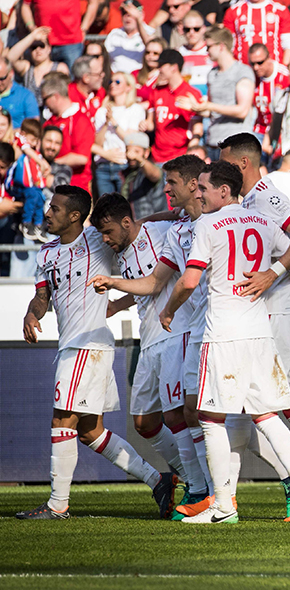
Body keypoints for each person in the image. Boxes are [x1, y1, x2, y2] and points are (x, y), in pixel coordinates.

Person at [158, 161, 290, 524]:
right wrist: (272, 273)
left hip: (223, 333)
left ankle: (223, 505)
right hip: (260, 332)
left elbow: (188, 281)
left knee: (209, 418)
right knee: (268, 415)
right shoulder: (261, 220)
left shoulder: (207, 224)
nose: (199, 194)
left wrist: (168, 312)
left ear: (223, 191)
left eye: (205, 188)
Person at [16, 186, 174, 520]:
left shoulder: (97, 240)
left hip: (88, 346)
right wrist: (33, 313)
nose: (48, 213)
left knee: (62, 420)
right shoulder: (45, 254)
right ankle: (159, 480)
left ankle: (58, 505)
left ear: (75, 215)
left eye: (55, 209)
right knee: (89, 430)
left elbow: (136, 237)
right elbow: (42, 297)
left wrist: (178, 214)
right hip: (72, 345)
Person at [215, 137, 290, 520]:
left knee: (257, 405)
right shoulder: (247, 204)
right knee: (286, 403)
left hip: (277, 312)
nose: (220, 172)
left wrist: (274, 272)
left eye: (225, 165)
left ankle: (288, 491)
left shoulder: (264, 196)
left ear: (243, 164)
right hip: (285, 309)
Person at [87, 153, 217, 517]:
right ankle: (188, 475)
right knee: (145, 422)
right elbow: (144, 286)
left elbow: (156, 280)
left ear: (128, 222)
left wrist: (115, 285)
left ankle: (199, 485)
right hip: (149, 339)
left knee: (179, 416)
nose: (107, 241)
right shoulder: (122, 249)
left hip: (175, 332)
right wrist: (119, 303)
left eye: (109, 232)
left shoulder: (162, 232)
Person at [179, 28, 255, 155]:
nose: (206, 50)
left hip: (235, 144)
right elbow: (212, 112)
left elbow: (242, 111)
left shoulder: (242, 71)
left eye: (208, 46)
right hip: (213, 142)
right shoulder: (212, 74)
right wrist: (195, 108)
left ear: (221, 46)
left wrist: (209, 105)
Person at [141, 50, 202, 164]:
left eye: (162, 65)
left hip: (179, 157)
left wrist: (190, 153)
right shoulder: (157, 91)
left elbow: (197, 127)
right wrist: (144, 124)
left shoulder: (191, 93)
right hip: (157, 157)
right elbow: (151, 124)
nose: (159, 69)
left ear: (174, 67)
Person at [93, 72, 146, 196]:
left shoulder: (135, 109)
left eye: (117, 82)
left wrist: (113, 122)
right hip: (103, 167)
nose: (113, 85)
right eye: (110, 82)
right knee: (106, 210)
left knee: (125, 208)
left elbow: (130, 139)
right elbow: (97, 143)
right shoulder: (102, 111)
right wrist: (106, 123)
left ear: (128, 87)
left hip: (124, 165)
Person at [40, 72, 94, 192]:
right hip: (50, 188)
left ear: (55, 96)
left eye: (45, 99)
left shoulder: (80, 120)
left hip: (75, 189)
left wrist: (52, 164)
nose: (44, 104)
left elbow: (81, 157)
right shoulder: (49, 122)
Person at [20, 0, 96, 70]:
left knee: (72, 80)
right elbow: (25, 6)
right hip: (43, 43)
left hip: (71, 43)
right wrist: (32, 28)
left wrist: (84, 28)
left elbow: (93, 3)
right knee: (43, 81)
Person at [223, 0, 290, 66]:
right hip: (243, 71)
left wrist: (281, 72)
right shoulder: (233, 11)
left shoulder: (280, 10)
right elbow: (228, 47)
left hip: (273, 71)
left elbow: (289, 45)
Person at [10, 28, 71, 106]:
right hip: (31, 113)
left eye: (42, 46)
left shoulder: (60, 68)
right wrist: (32, 37)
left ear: (49, 48)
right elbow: (10, 58)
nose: (38, 50)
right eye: (34, 47)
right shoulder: (27, 68)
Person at [121, 132, 166, 218]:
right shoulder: (126, 173)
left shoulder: (151, 168)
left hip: (154, 224)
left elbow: (155, 175)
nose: (131, 155)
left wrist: (139, 159)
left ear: (146, 152)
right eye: (128, 150)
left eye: (136, 151)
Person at [104, 0, 153, 74]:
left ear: (141, 14)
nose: (127, 16)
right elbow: (105, 57)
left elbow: (152, 46)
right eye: (124, 13)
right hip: (117, 80)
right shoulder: (114, 34)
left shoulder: (149, 32)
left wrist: (138, 20)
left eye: (131, 13)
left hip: (139, 79)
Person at [179, 11, 214, 97]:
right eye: (187, 29)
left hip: (208, 101)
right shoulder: (178, 53)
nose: (191, 33)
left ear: (203, 29)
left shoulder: (212, 51)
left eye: (196, 29)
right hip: (186, 100)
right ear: (182, 30)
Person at [0, 58, 39, 129]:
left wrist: (12, 133)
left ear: (11, 73)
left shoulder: (25, 96)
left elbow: (34, 128)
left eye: (2, 78)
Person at [69, 55, 106, 123]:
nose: (103, 75)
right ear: (86, 78)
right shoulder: (67, 96)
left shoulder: (100, 93)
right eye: (99, 74)